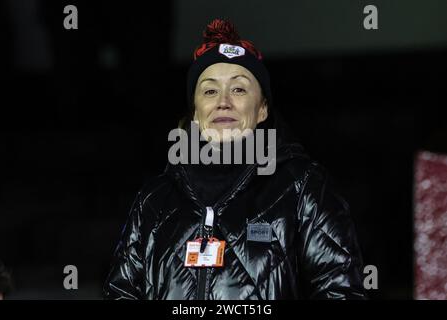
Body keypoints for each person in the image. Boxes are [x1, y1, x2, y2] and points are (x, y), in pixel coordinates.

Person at [103, 19, 366, 300]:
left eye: (239, 89)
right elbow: (121, 293)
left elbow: (340, 292)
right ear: (195, 112)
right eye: (209, 90)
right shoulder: (154, 199)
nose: (223, 101)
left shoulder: (305, 187)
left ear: (263, 108)